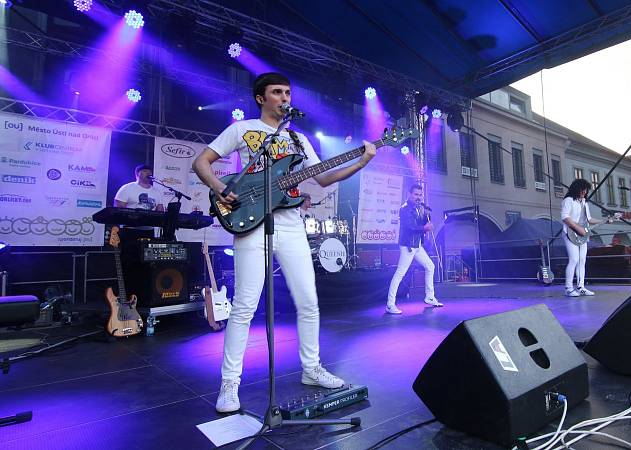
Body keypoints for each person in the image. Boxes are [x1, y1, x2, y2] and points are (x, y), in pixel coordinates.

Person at [192, 72, 376, 414]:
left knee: (309, 301)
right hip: (251, 226)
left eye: (288, 92)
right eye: (277, 92)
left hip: (290, 227)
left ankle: (312, 368)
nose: (284, 97)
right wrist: (221, 189)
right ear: (261, 98)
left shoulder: (298, 138)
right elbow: (200, 162)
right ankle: (229, 384)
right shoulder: (242, 129)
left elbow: (323, 176)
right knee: (245, 307)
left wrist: (361, 161)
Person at [385, 184, 442, 314]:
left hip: (417, 245)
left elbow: (422, 223)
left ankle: (429, 296)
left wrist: (427, 217)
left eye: (420, 195)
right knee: (400, 273)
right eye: (416, 194)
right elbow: (410, 227)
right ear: (409, 194)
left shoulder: (419, 208)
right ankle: (390, 304)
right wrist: (425, 228)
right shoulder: (404, 209)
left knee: (430, 267)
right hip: (408, 246)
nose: (418, 197)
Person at [561, 178, 613, 297]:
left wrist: (604, 221)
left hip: (582, 235)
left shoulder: (584, 202)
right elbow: (565, 217)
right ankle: (568, 287)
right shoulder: (568, 200)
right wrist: (577, 228)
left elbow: (589, 219)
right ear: (577, 188)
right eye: (583, 189)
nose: (585, 192)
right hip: (570, 233)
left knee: (582, 261)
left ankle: (581, 287)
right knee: (573, 259)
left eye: (586, 190)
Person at [113, 164, 166, 240]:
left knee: (146, 251)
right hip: (130, 229)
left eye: (150, 172)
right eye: (145, 171)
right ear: (137, 174)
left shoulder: (156, 191)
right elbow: (119, 208)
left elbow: (160, 210)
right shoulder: (127, 188)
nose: (148, 173)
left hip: (149, 230)